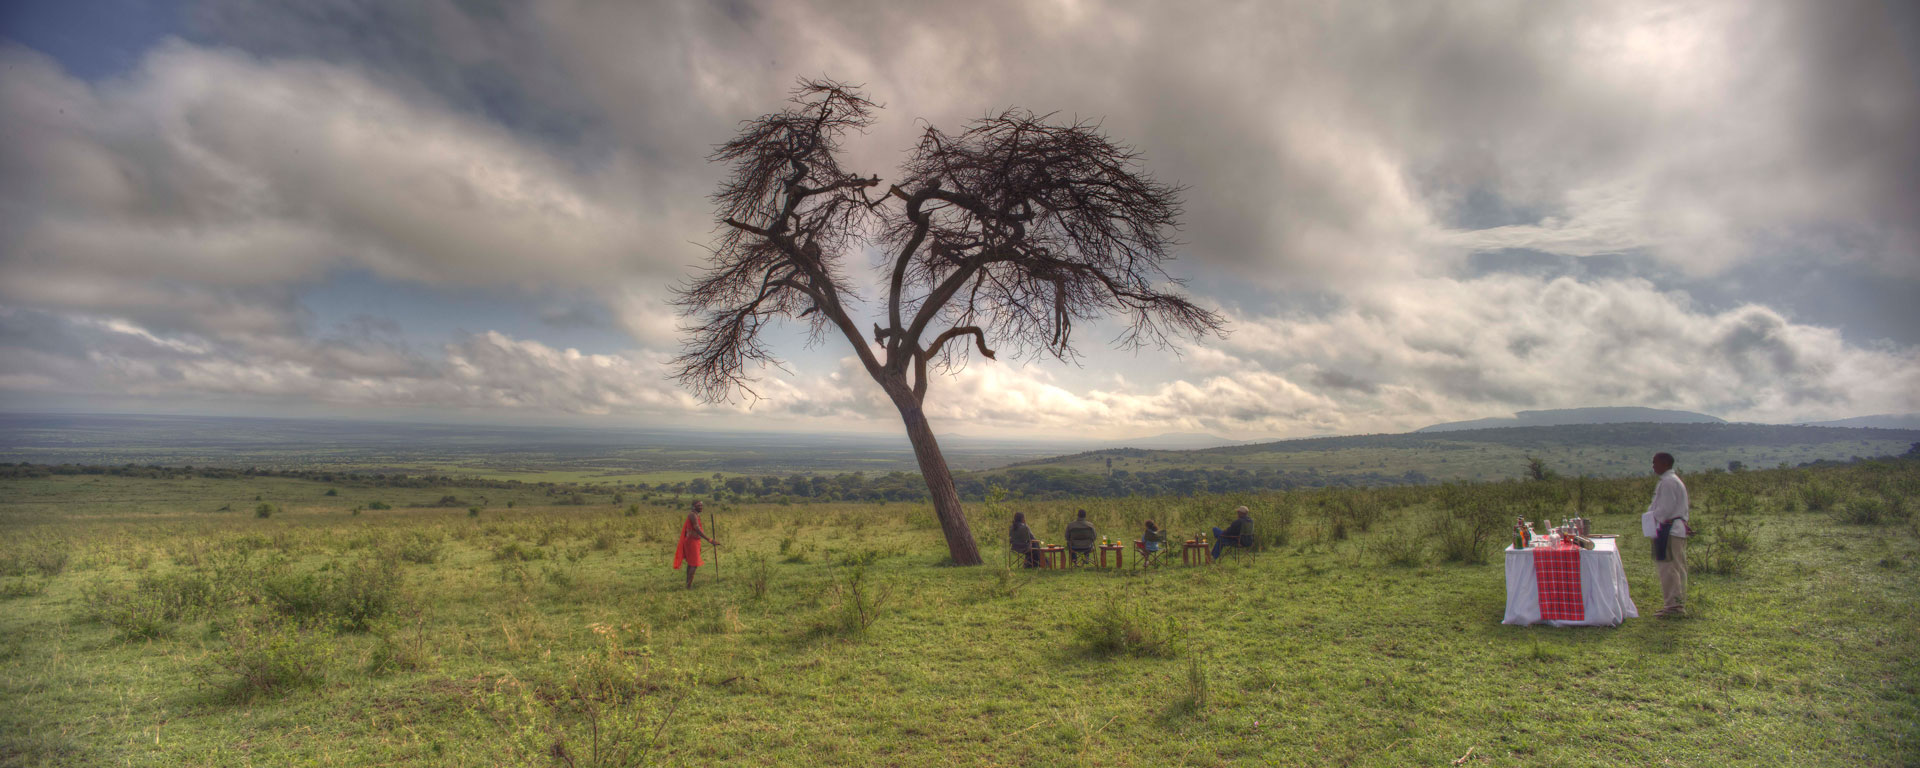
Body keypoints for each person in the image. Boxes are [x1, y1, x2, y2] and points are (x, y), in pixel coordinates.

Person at [1640, 452, 1691, 617]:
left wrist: (1651, 519)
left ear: (1664, 463)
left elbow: (1665, 509)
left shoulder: (1668, 482)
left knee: (1669, 568)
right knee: (1675, 567)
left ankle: (1674, 607)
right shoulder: (1671, 481)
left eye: (1655, 463)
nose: (1653, 466)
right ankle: (1675, 603)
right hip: (1672, 528)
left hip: (1668, 529)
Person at [673, 501, 720, 589]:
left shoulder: (695, 515)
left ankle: (688, 585)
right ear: (694, 506)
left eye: (702, 505)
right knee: (693, 564)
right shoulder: (692, 515)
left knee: (691, 563)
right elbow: (697, 528)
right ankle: (688, 586)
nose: (701, 507)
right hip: (691, 541)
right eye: (699, 505)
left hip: (695, 541)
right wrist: (709, 539)